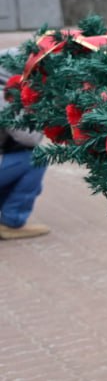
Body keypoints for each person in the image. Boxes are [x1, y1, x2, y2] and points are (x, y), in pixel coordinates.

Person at [0, 48, 49, 240]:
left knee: (21, 167)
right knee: (35, 159)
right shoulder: (3, 96)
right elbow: (29, 137)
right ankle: (11, 222)